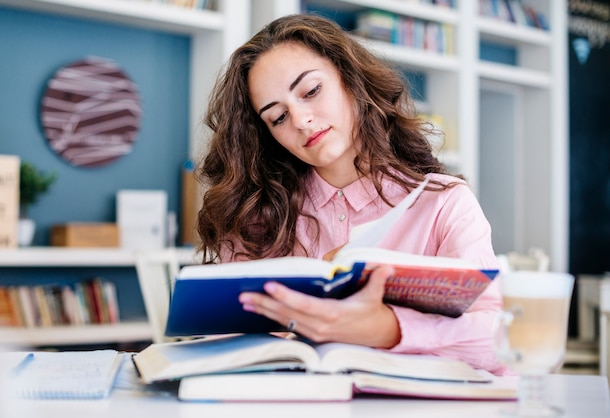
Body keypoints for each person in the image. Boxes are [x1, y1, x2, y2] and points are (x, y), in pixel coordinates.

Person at [195, 14, 508, 375]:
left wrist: (388, 329)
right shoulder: (254, 216)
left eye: (311, 91)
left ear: (350, 79)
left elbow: (500, 340)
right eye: (277, 117)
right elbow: (226, 345)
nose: (300, 120)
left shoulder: (445, 203)